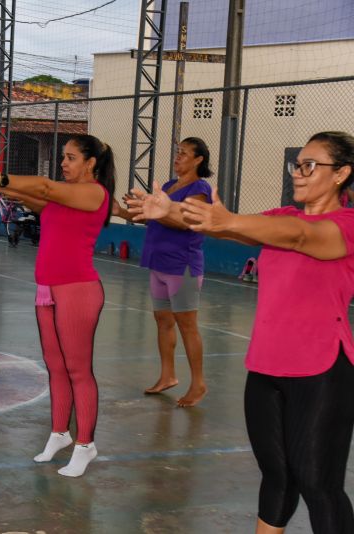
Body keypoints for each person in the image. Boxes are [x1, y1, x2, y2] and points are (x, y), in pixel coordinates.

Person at [129, 131, 354, 533]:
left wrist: (226, 219)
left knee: (318, 483)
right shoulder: (281, 217)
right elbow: (220, 227)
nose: (298, 174)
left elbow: (302, 238)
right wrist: (167, 209)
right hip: (266, 366)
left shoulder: (345, 225)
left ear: (341, 174)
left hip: (321, 370)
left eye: (309, 166)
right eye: (296, 165)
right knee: (277, 476)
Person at [0, 135, 115, 477]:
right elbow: (23, 194)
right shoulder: (64, 197)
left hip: (77, 290)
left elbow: (45, 188)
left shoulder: (94, 194)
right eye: (62, 156)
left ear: (91, 162)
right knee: (55, 367)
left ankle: (85, 445)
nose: (63, 163)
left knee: (78, 370)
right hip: (47, 289)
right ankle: (59, 434)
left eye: (71, 157)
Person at [114, 137, 212, 407]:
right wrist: (121, 211)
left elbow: (185, 222)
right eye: (177, 153)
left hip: (183, 266)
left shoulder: (200, 189)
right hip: (158, 263)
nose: (178, 157)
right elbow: (149, 217)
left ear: (198, 160)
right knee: (163, 321)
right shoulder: (168, 186)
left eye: (184, 154)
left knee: (187, 326)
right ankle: (168, 376)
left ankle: (198, 383)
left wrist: (157, 211)